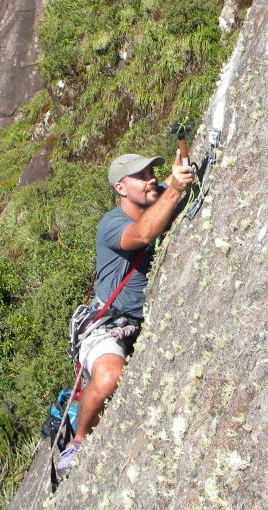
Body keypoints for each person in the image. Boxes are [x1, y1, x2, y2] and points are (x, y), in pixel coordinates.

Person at [56, 151, 194, 473]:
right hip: (109, 322)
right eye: (141, 177)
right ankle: (78, 440)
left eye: (151, 173)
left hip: (141, 319)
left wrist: (182, 165)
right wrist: (174, 188)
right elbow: (142, 235)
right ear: (121, 189)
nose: (150, 181)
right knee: (108, 377)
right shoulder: (112, 223)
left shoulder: (154, 195)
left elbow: (174, 181)